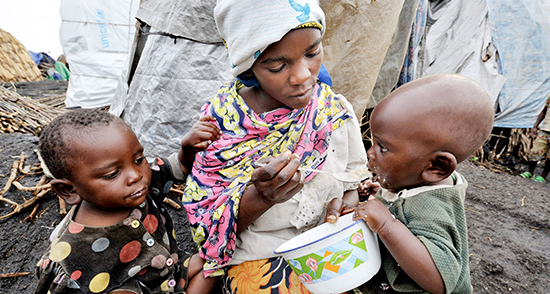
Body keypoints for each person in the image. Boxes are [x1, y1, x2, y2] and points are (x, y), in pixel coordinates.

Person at [180, 0, 368, 293]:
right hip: (261, 252)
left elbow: (352, 181)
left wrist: (346, 206)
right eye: (279, 66)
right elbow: (210, 221)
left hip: (326, 242)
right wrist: (262, 196)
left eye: (313, 52)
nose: (303, 76)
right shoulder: (222, 124)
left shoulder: (332, 110)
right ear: (248, 66)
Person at [34, 109, 221, 294]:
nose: (135, 175)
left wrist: (186, 150)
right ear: (69, 190)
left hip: (173, 272)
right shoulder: (73, 257)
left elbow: (176, 167)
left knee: (217, 260)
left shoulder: (136, 188)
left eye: (139, 159)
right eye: (112, 174)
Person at [347, 74, 493, 294]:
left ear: (437, 167)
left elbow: (439, 281)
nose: (370, 153)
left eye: (383, 147)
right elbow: (404, 204)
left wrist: (386, 224)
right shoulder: (418, 181)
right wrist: (385, 196)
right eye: (373, 142)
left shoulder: (433, 208)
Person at [519, 94, 550, 182]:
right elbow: (544, 111)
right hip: (545, 130)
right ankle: (530, 172)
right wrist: (535, 127)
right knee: (534, 151)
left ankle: (543, 176)